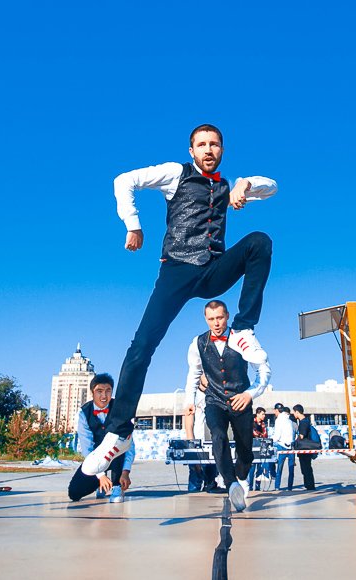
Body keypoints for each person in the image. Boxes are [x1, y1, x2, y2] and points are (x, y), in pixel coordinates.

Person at [82, 125, 277, 477]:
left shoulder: (226, 185)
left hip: (213, 269)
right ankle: (118, 432)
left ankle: (245, 328)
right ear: (192, 151)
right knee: (141, 346)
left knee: (259, 242)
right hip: (177, 270)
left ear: (222, 149)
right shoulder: (176, 174)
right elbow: (123, 180)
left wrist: (244, 184)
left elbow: (272, 187)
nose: (208, 149)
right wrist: (133, 224)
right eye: (201, 144)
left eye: (214, 144)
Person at [184, 300, 271, 512]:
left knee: (245, 451)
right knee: (218, 435)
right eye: (211, 319)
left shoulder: (243, 338)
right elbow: (194, 373)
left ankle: (241, 477)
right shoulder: (197, 343)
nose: (216, 323)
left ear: (228, 316)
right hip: (214, 400)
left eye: (220, 318)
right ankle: (231, 483)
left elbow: (264, 370)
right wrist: (189, 400)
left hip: (241, 399)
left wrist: (249, 394)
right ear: (205, 319)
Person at [68, 374, 136, 503]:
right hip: (96, 457)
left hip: (115, 456)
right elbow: (87, 448)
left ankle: (117, 486)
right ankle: (101, 485)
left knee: (118, 443)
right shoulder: (83, 413)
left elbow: (129, 444)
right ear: (92, 392)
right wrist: (100, 476)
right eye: (99, 391)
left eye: (108, 391)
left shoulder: (120, 410)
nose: (104, 396)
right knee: (74, 492)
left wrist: (126, 472)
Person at [184, 373, 220, 493]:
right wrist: (192, 448)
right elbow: (188, 426)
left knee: (211, 483)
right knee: (196, 478)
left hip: (211, 444)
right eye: (206, 374)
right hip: (198, 444)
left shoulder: (214, 395)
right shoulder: (192, 396)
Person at [292, 404, 317, 490]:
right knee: (307, 467)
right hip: (307, 448)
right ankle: (309, 485)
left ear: (297, 412)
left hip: (305, 448)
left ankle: (309, 486)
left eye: (294, 412)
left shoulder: (303, 423)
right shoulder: (306, 421)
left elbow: (301, 436)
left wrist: (295, 442)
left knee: (306, 468)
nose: (293, 414)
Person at [271, 403, 295, 491]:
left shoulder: (279, 420)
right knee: (291, 469)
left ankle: (277, 487)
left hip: (282, 446)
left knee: (279, 469)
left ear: (276, 410)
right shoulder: (289, 420)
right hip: (291, 446)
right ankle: (290, 487)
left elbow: (277, 436)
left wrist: (271, 441)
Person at [247, 407, 270, 490]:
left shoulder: (263, 424)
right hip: (253, 447)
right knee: (252, 468)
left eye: (264, 414)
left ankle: (257, 485)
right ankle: (250, 486)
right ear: (257, 414)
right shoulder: (252, 423)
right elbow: (255, 433)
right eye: (262, 414)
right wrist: (261, 435)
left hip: (261, 448)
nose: (264, 416)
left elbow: (265, 435)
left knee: (260, 468)